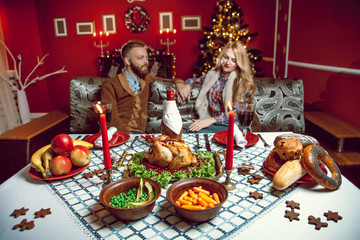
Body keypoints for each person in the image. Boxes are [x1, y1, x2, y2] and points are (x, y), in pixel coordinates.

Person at [101, 40, 185, 134]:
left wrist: (180, 84)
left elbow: (170, 80)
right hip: (117, 133)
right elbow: (112, 119)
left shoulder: (147, 79)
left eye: (146, 58)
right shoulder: (110, 84)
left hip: (140, 133)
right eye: (141, 58)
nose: (146, 62)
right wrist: (130, 138)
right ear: (127, 61)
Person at [176, 41, 261, 133]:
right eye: (226, 57)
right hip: (216, 124)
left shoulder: (241, 81)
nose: (228, 62)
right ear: (222, 57)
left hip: (235, 126)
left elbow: (240, 113)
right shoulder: (212, 75)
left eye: (233, 60)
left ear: (239, 63)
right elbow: (193, 80)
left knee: (198, 132)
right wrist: (183, 85)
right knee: (194, 131)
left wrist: (212, 120)